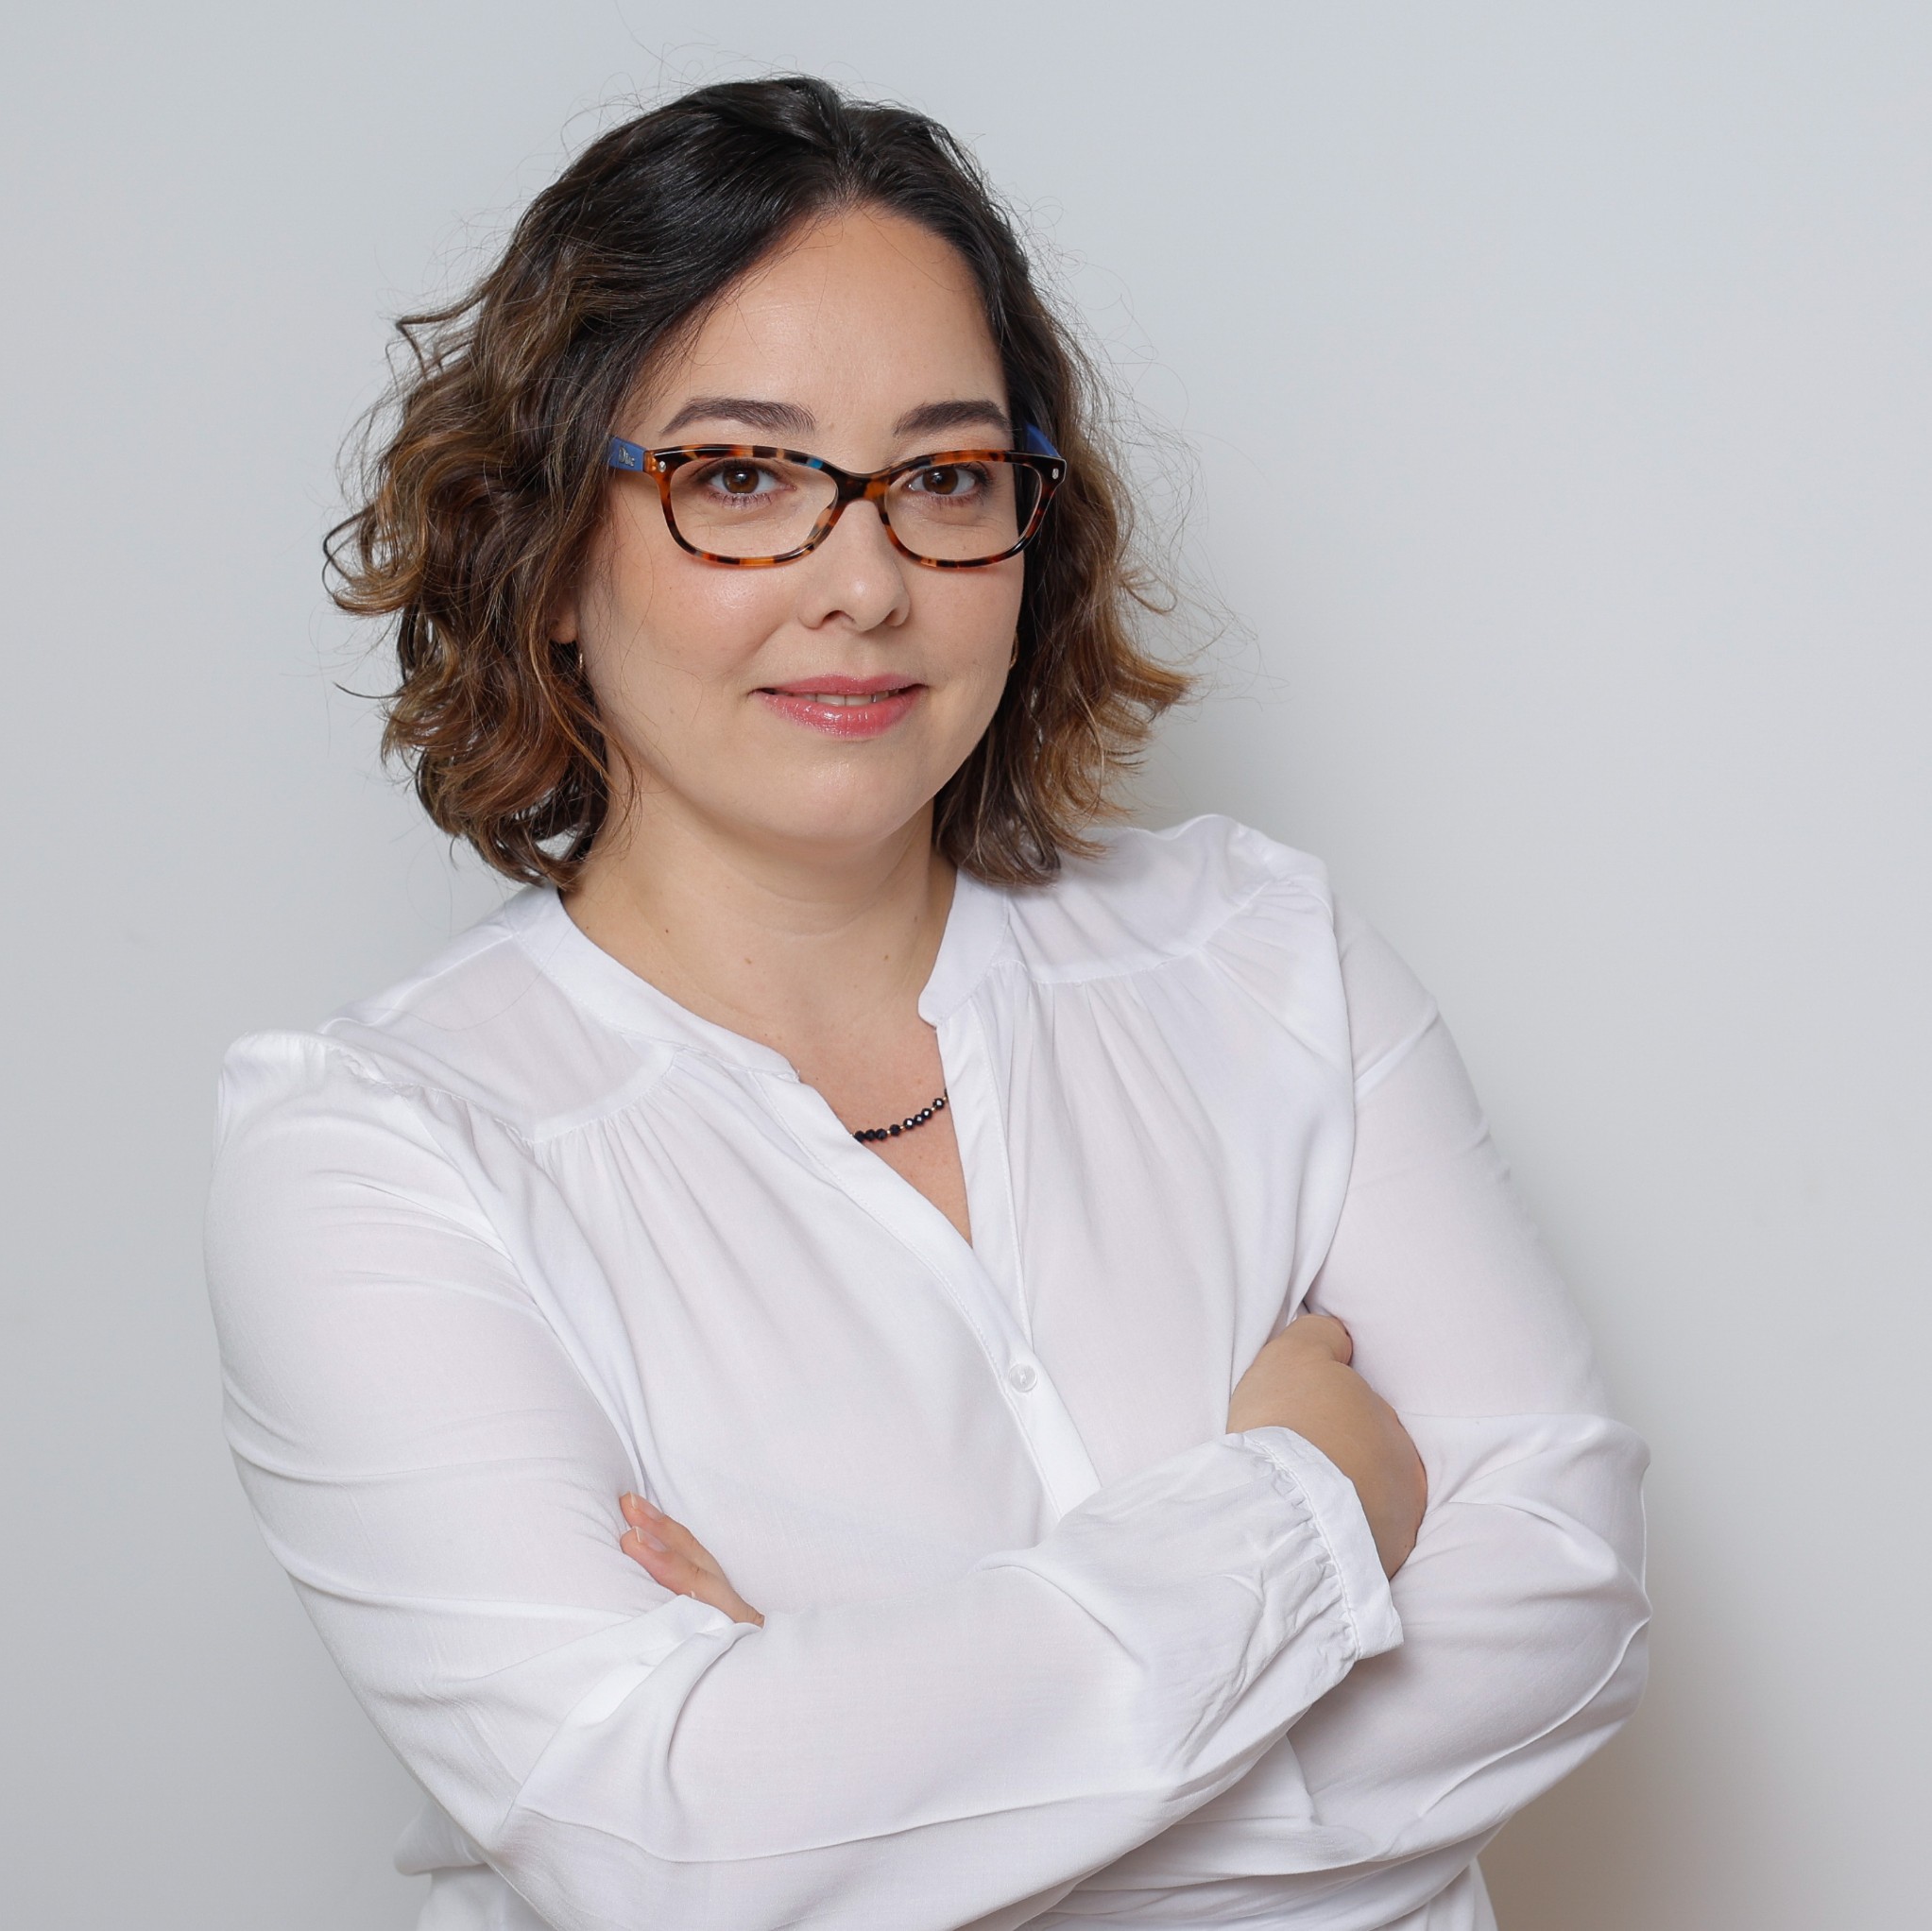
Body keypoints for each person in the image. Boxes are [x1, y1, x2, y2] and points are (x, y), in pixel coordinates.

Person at [204, 75, 1649, 1931]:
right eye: (741, 476)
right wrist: (1307, 1490)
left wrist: (873, 1807)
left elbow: (1563, 1600)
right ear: (549, 546)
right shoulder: (376, 1140)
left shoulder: (1259, 953)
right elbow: (674, 1844)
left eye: (946, 476)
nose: (866, 581)